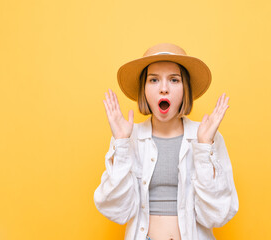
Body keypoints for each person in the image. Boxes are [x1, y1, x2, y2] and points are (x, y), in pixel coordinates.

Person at [93, 43, 239, 240]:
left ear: (185, 88)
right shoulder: (128, 138)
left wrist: (204, 147)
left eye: (174, 80)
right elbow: (118, 212)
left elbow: (216, 216)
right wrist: (121, 144)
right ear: (143, 89)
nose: (163, 89)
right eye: (153, 80)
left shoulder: (207, 136)